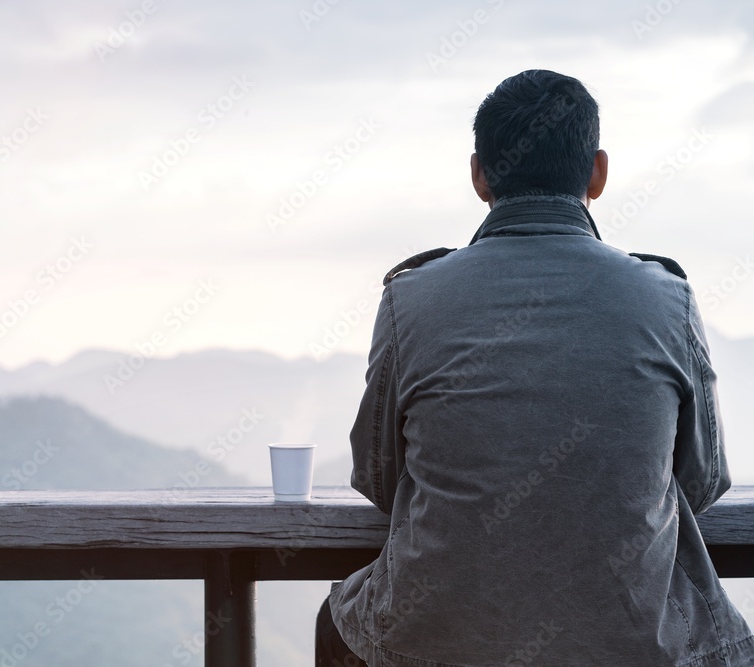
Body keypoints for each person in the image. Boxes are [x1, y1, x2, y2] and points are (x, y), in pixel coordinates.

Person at [317, 69, 754, 666]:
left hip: (440, 643)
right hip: (634, 646)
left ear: (479, 175)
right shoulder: (665, 297)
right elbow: (703, 481)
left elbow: (378, 477)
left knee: (339, 623)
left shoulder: (411, 299)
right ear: (598, 173)